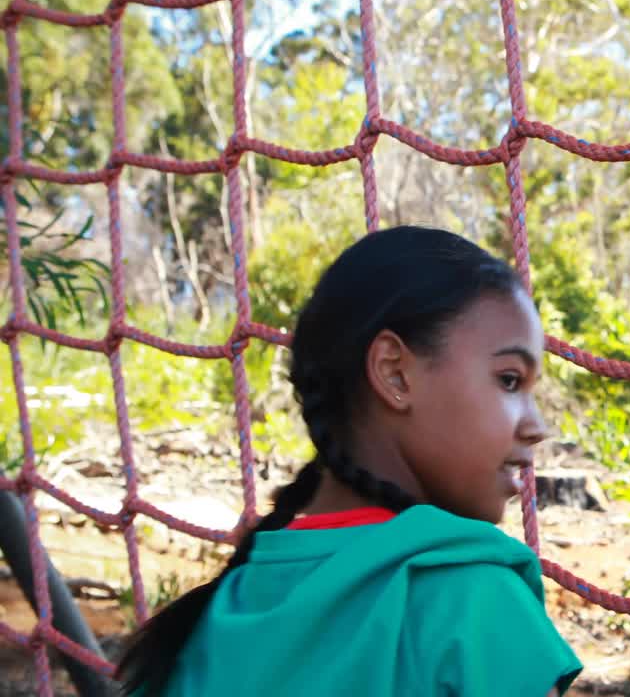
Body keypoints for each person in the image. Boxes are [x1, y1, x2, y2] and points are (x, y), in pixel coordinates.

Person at [116, 226, 582, 696]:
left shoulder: (222, 609)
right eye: (508, 380)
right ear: (394, 372)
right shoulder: (474, 603)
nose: (536, 425)